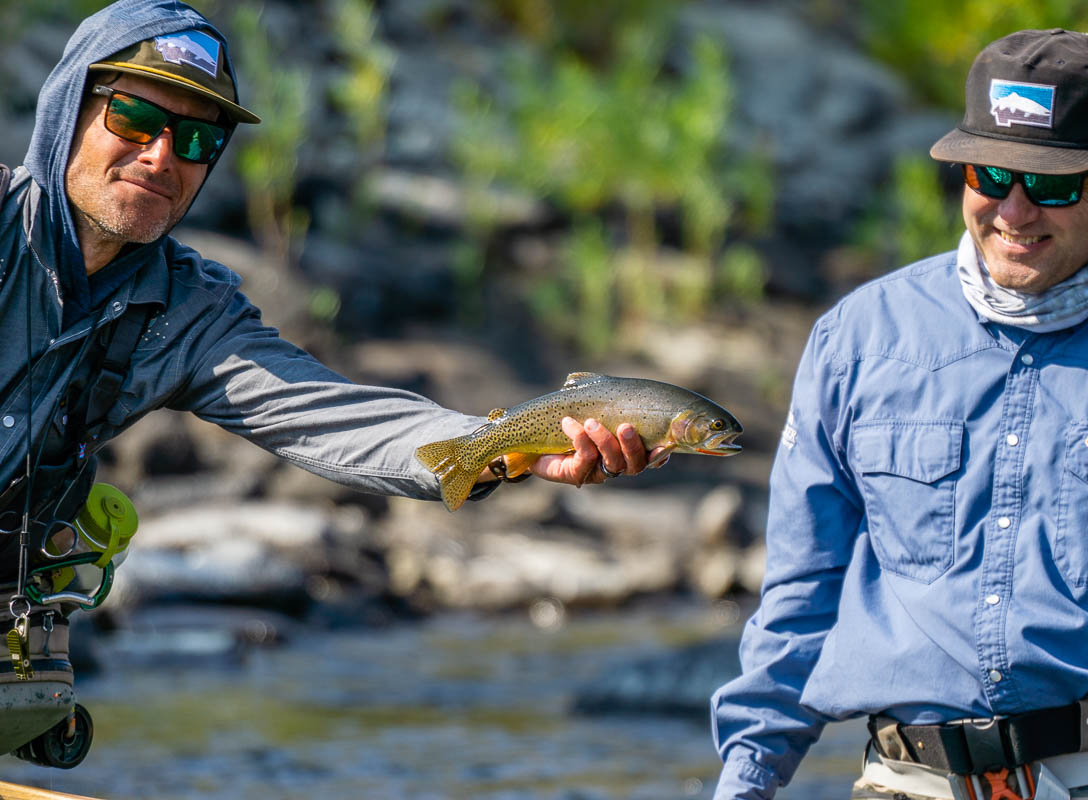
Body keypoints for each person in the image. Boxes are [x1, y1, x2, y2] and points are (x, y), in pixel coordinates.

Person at [1, 4, 659, 620]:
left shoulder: (193, 315)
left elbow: (338, 420)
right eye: (134, 119)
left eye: (197, 139)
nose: (161, 156)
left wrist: (513, 447)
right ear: (67, 112)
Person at [711, 28, 1088, 800]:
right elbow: (799, 605)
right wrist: (744, 786)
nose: (1014, 210)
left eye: (1052, 183)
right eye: (990, 173)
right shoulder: (857, 340)